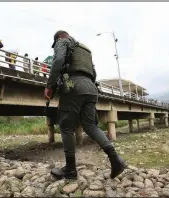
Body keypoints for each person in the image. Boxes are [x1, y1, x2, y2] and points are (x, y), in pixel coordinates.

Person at [44, 30, 126, 180]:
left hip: (74, 86)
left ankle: (70, 169)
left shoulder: (62, 41)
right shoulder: (84, 49)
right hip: (91, 88)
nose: (55, 45)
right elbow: (93, 73)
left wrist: (49, 86)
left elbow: (57, 61)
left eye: (55, 43)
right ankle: (116, 160)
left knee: (66, 126)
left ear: (58, 38)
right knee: (91, 126)